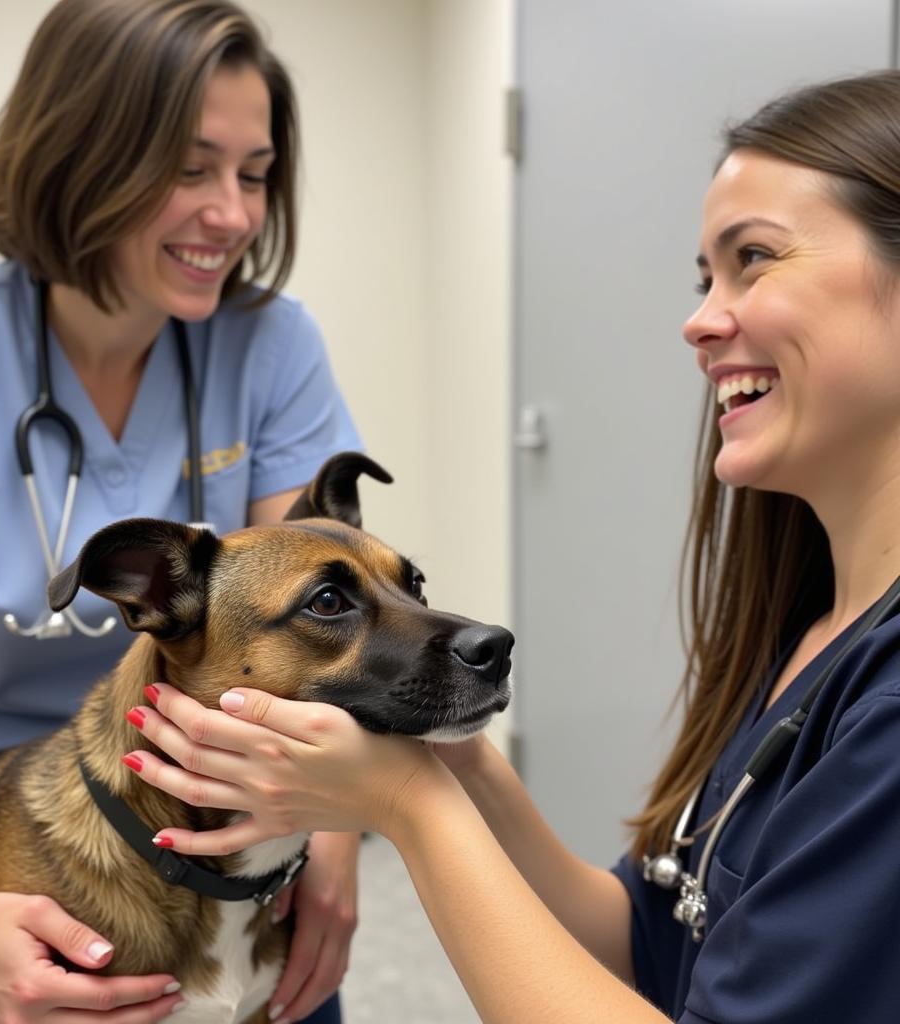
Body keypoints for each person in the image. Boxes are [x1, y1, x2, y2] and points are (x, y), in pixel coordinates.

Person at [123, 68, 900, 1022]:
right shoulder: (813, 637)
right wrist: (463, 762)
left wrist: (410, 808)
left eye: (755, 259)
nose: (699, 322)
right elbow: (644, 944)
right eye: (705, 277)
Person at [0, 1, 361, 1021]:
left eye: (254, 173)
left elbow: (330, 623)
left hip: (212, 812)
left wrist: (334, 841)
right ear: (79, 153)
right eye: (188, 169)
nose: (232, 215)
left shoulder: (270, 345)